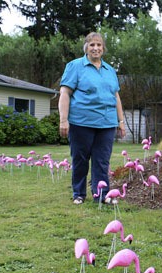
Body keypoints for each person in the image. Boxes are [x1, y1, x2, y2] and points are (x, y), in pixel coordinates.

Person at [58, 32, 126, 205]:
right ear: (86, 47)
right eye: (92, 45)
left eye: (99, 45)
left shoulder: (110, 70)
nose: (95, 48)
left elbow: (116, 96)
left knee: (102, 161)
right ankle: (79, 194)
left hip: (107, 123)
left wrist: (121, 121)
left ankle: (102, 195)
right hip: (81, 122)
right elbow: (65, 93)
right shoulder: (75, 66)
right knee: (80, 159)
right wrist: (63, 119)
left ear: (103, 49)